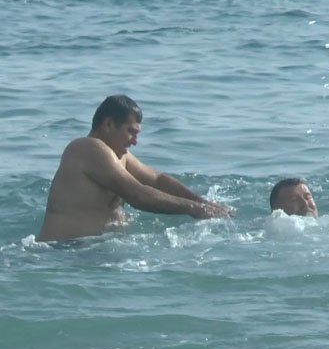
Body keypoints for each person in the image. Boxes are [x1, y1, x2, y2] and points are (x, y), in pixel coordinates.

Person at [38, 94, 234, 242]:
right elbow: (138, 195)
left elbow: (157, 179)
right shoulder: (87, 148)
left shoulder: (118, 155)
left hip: (93, 252)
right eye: (130, 132)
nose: (135, 141)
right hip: (63, 252)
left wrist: (201, 201)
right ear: (108, 124)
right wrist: (194, 208)